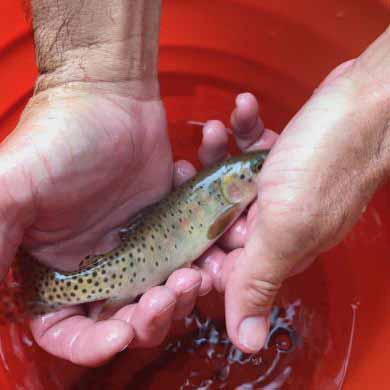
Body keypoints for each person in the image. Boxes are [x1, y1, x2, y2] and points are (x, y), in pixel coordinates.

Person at [0, 0, 388, 366]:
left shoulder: (225, 205)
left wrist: (369, 112)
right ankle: (49, 291)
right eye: (254, 171)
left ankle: (50, 291)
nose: (263, 174)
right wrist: (96, 82)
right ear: (227, 190)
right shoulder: (220, 209)